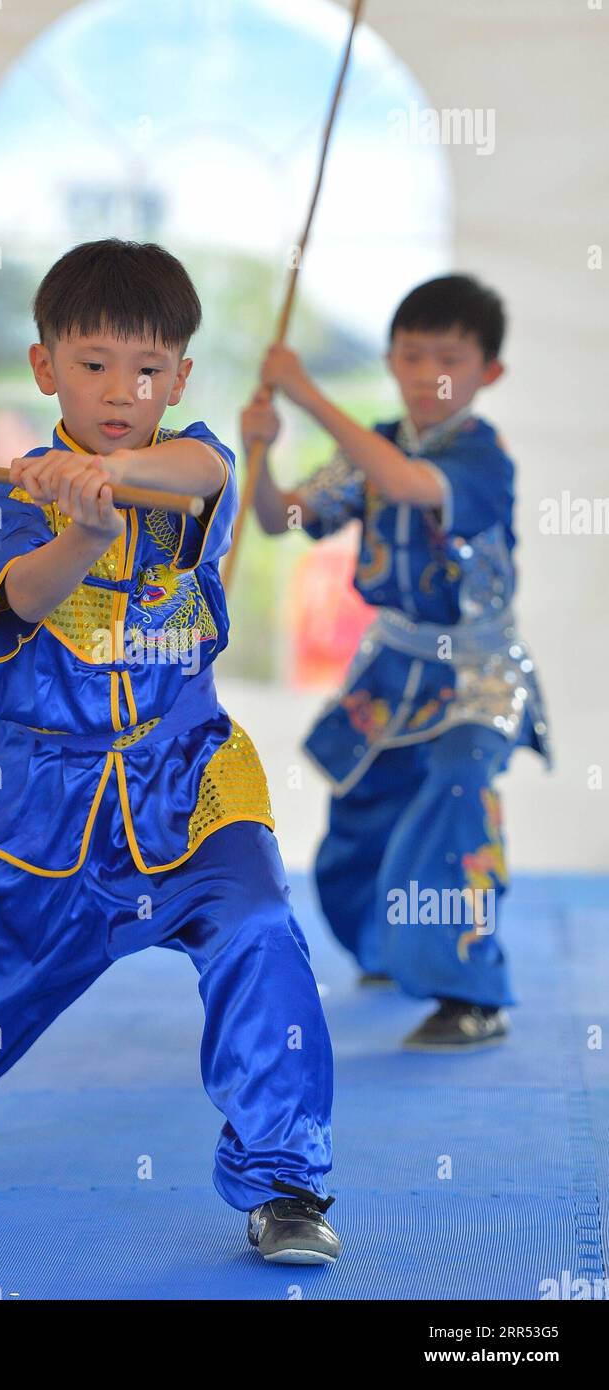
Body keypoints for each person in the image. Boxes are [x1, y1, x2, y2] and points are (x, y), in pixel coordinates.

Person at [0, 238, 340, 1265]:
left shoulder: (182, 461)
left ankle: (284, 1179)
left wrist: (106, 474)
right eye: (94, 364)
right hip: (42, 803)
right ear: (42, 367)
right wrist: (76, 527)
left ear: (180, 378)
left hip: (189, 778)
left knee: (258, 930)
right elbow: (16, 600)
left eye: (148, 369)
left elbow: (205, 470)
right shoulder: (11, 503)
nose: (122, 390)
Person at [242, 274, 551, 1051]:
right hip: (394, 665)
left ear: (490, 373)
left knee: (458, 789)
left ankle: (471, 990)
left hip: (477, 673)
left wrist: (306, 394)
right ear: (389, 360)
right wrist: (261, 454)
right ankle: (385, 945)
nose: (427, 375)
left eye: (449, 357)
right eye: (411, 355)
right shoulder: (373, 444)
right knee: (362, 813)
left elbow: (405, 484)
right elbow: (281, 520)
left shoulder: (482, 458)